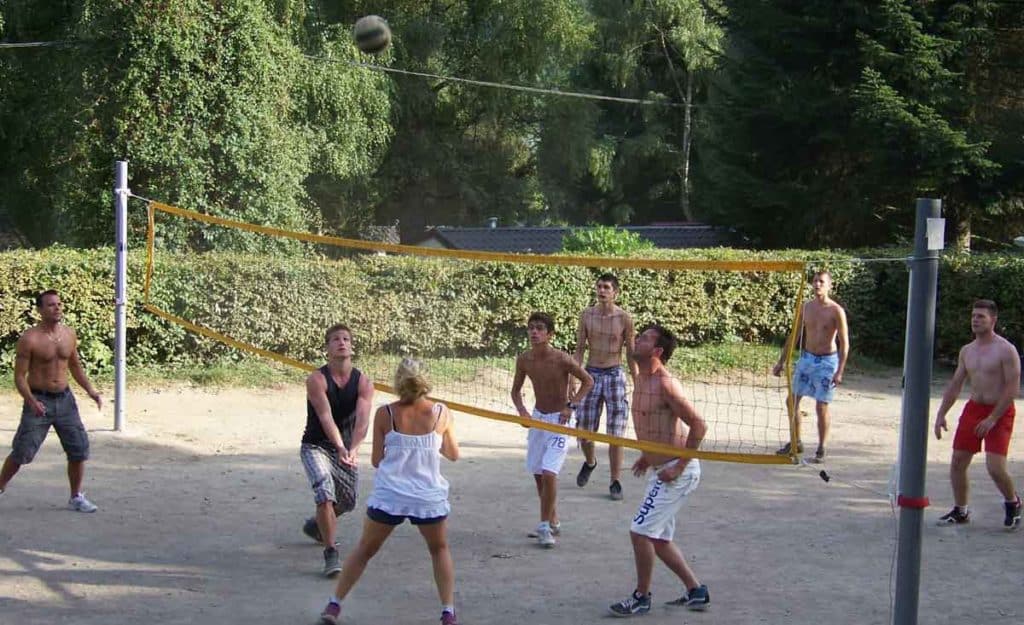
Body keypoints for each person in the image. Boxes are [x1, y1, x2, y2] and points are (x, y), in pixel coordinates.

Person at [319, 358, 460, 625]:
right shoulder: (442, 413)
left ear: (398, 382)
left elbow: (376, 460)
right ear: (426, 381)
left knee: (364, 550)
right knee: (439, 549)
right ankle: (448, 612)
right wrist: (431, 445)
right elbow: (453, 454)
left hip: (391, 495)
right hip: (427, 496)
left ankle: (334, 606)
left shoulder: (386, 413)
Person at [609, 323, 710, 616]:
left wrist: (679, 466)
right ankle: (696, 591)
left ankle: (641, 597)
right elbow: (651, 425)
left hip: (677, 471)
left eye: (644, 338)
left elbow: (699, 426)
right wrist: (647, 456)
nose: (637, 340)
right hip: (660, 467)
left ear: (657, 351)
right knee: (659, 538)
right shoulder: (640, 378)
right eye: (638, 335)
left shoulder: (666, 383)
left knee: (639, 531)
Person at [0, 290, 103, 512]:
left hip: (65, 400)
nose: (56, 308)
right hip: (39, 400)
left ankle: (76, 496)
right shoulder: (30, 339)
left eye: (58, 304)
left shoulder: (69, 334)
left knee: (78, 450)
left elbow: (75, 366)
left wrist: (91, 391)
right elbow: (19, 377)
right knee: (22, 452)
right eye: (50, 305)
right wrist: (31, 401)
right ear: (39, 310)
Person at [934, 300, 1021, 529]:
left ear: (993, 320)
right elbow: (955, 384)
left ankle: (1012, 502)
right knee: (957, 463)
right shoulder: (967, 351)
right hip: (974, 408)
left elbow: (1012, 387)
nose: (975, 320)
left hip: (999, 411)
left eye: (981, 316)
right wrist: (941, 413)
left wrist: (993, 418)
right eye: (974, 316)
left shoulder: (1006, 350)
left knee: (995, 467)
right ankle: (961, 510)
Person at [512, 312, 594, 548]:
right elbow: (515, 391)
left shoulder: (562, 359)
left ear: (550, 334)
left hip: (560, 419)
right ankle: (553, 519)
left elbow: (588, 381)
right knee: (538, 475)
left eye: (539, 328)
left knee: (549, 473)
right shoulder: (525, 359)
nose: (534, 332)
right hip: (538, 418)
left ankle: (544, 526)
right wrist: (523, 412)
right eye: (531, 328)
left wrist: (572, 405)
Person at [300, 324, 374, 577]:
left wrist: (353, 448)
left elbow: (363, 420)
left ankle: (317, 526)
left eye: (345, 339)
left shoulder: (363, 381)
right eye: (335, 339)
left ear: (352, 346)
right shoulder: (317, 379)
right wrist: (341, 446)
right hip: (316, 446)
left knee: (348, 501)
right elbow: (325, 416)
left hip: (346, 447)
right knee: (324, 493)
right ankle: (330, 552)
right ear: (327, 348)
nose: (341, 342)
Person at [772, 270, 849, 462]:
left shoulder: (835, 310)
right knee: (792, 401)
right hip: (807, 359)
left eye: (821, 282)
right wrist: (782, 361)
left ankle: (822, 447)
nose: (817, 285)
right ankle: (795, 440)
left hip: (826, 361)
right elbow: (794, 335)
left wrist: (839, 370)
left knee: (821, 406)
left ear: (829, 285)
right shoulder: (805, 308)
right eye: (815, 281)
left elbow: (844, 343)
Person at [573, 273, 638, 500]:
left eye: (606, 287)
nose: (602, 290)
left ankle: (615, 481)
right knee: (584, 430)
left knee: (616, 432)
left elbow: (630, 353)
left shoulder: (624, 318)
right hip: (591, 373)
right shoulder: (587, 315)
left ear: (615, 292)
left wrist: (637, 381)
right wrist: (574, 375)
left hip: (614, 374)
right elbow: (580, 348)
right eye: (599, 286)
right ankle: (590, 462)